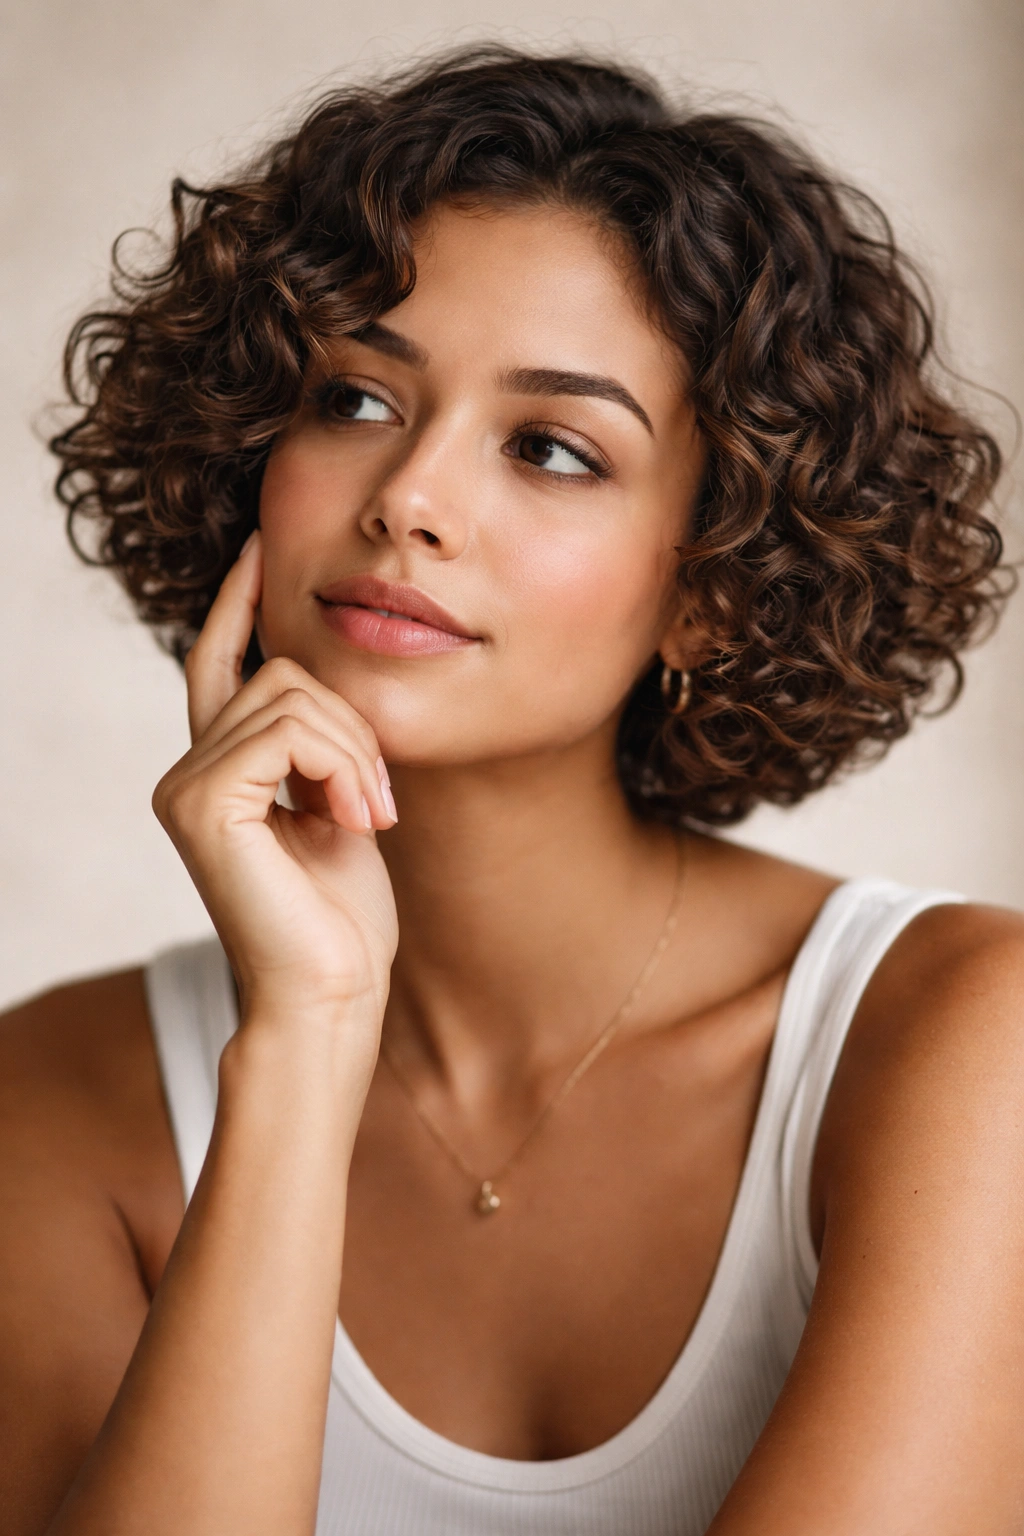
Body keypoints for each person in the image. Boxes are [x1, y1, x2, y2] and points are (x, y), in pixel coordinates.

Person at [2, 44, 1022, 1536]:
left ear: (714, 591)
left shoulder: (960, 1043)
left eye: (552, 448)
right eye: (354, 398)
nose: (409, 495)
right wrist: (305, 1043)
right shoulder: (58, 1106)